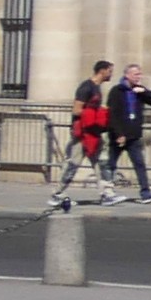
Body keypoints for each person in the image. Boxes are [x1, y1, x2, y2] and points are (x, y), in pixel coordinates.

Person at [57, 63, 116, 210]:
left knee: (102, 162)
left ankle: (107, 193)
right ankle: (57, 193)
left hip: (94, 133)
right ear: (102, 71)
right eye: (110, 71)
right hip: (83, 134)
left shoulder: (97, 88)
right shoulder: (86, 87)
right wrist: (97, 114)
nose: (111, 74)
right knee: (73, 163)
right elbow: (76, 110)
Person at [107, 62, 151, 200]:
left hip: (133, 136)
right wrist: (118, 133)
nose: (138, 77)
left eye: (139, 74)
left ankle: (145, 192)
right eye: (135, 74)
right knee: (111, 164)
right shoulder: (117, 91)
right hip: (119, 135)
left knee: (139, 164)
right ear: (127, 75)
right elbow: (113, 114)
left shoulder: (139, 91)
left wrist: (144, 91)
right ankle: (107, 191)